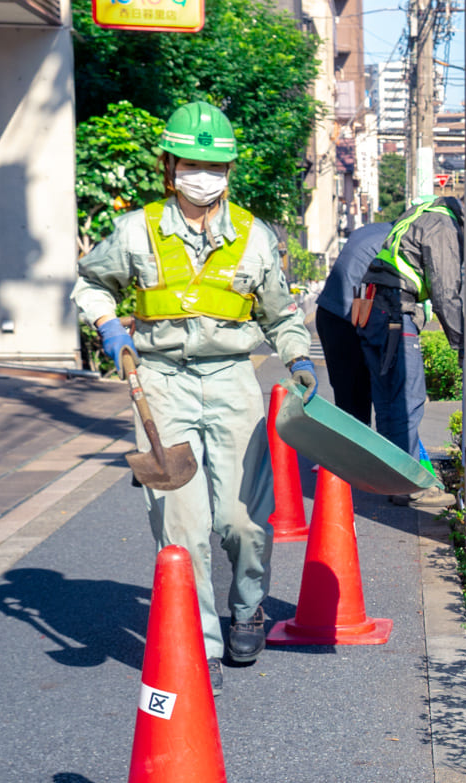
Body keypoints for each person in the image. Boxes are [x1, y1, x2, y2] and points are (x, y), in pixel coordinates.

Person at [73, 101, 316, 695]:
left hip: (233, 378)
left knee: (241, 519)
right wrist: (108, 326)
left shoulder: (255, 238)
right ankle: (199, 640)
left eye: (214, 166)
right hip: (159, 380)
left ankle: (248, 607)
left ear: (228, 173)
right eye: (191, 163)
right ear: (171, 166)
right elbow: (91, 281)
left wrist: (299, 355)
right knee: (180, 522)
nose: (202, 175)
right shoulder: (137, 230)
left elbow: (280, 312)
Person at [353, 196, 464, 465]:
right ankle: (410, 485)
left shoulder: (419, 214)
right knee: (407, 400)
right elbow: (445, 294)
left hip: (373, 309)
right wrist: (462, 346)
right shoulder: (444, 226)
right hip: (395, 312)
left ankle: (392, 478)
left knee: (387, 400)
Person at [315, 219, 392, 426]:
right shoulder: (395, 240)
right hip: (352, 316)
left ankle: (349, 453)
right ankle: (362, 455)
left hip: (328, 312)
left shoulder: (370, 230)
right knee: (372, 397)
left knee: (348, 401)